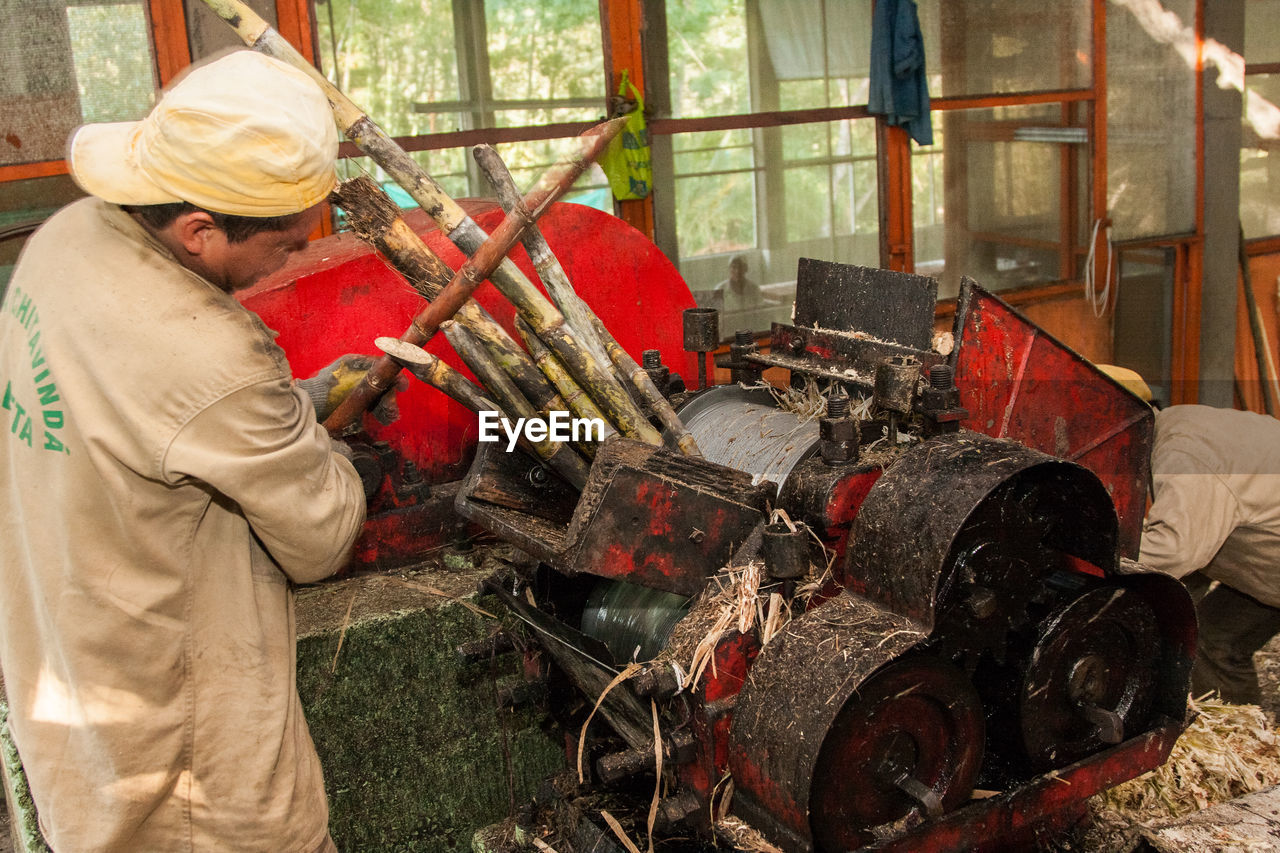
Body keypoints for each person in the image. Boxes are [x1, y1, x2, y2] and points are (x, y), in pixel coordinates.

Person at [0, 51, 370, 852]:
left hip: (67, 673)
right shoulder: (215, 354)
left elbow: (145, 412)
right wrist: (310, 434)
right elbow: (324, 537)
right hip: (178, 749)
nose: (296, 259)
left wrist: (294, 400)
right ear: (201, 232)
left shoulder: (68, 240)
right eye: (285, 245)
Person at [1138, 403, 1280, 706]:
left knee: (1216, 639)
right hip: (1271, 556)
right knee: (1213, 639)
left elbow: (1174, 552)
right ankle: (1241, 740)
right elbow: (1190, 570)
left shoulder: (1185, 453)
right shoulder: (1183, 422)